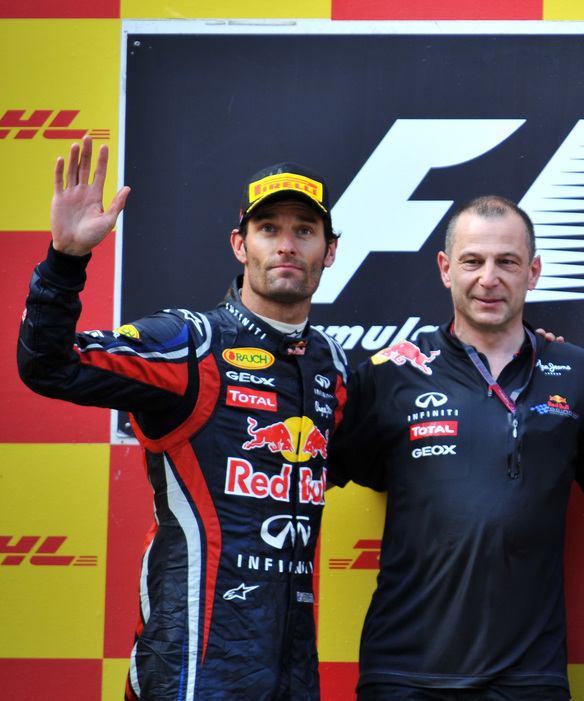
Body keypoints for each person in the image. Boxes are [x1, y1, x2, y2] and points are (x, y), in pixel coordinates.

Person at [17, 136, 347, 701]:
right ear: (240, 245)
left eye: (304, 230)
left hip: (292, 669)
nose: (286, 245)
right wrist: (65, 262)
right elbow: (48, 365)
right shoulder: (190, 343)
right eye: (268, 228)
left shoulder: (331, 366)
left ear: (329, 250)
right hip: (189, 666)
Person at [327, 195, 584, 700]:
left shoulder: (575, 373)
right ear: (446, 269)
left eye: (507, 262)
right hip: (405, 675)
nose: (489, 279)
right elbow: (300, 485)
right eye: (472, 261)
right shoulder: (389, 374)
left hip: (528, 680)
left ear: (533, 272)